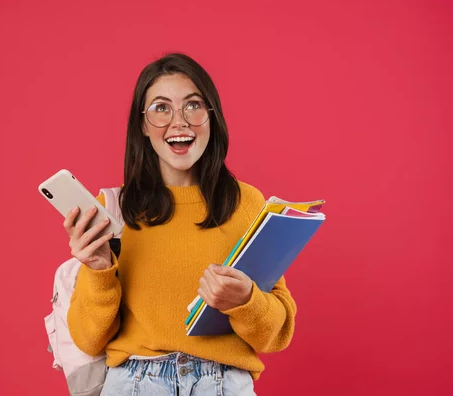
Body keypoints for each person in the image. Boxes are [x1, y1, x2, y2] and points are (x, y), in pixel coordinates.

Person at [64, 53, 296, 396]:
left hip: (224, 384)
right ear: (142, 124)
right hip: (135, 384)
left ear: (212, 115)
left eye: (193, 105)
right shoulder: (114, 211)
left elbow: (276, 335)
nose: (179, 122)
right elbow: (88, 338)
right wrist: (98, 271)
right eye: (161, 108)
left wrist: (245, 300)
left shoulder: (247, 204)